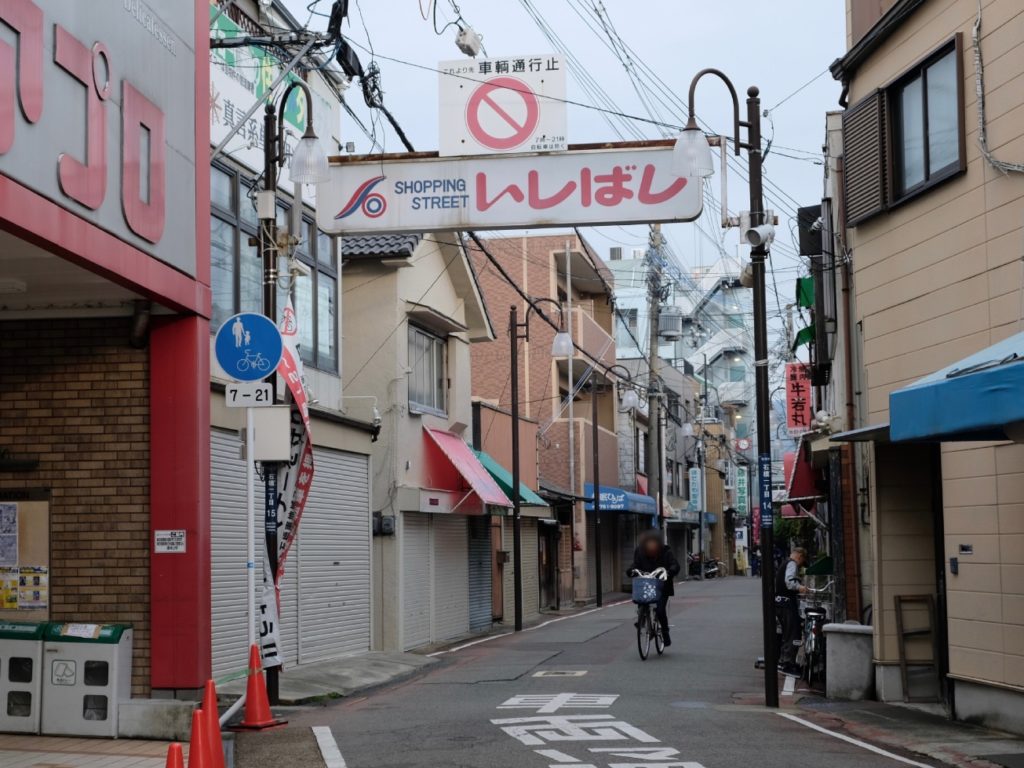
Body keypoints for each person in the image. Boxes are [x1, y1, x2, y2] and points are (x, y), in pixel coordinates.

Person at [628, 530, 681, 646]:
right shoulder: (640, 551)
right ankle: (642, 619)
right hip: (646, 584)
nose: (651, 545)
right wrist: (631, 570)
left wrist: (670, 571)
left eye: (653, 542)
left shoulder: (666, 551)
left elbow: (675, 565)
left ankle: (665, 632)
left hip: (662, 586)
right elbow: (635, 564)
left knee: (660, 610)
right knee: (641, 600)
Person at [775, 546, 809, 674]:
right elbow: (789, 582)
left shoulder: (784, 563)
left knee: (786, 633)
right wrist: (800, 588)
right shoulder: (792, 564)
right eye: (802, 562)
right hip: (787, 604)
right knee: (793, 633)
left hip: (779, 603)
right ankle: (788, 664)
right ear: (800, 557)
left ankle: (783, 661)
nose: (800, 566)